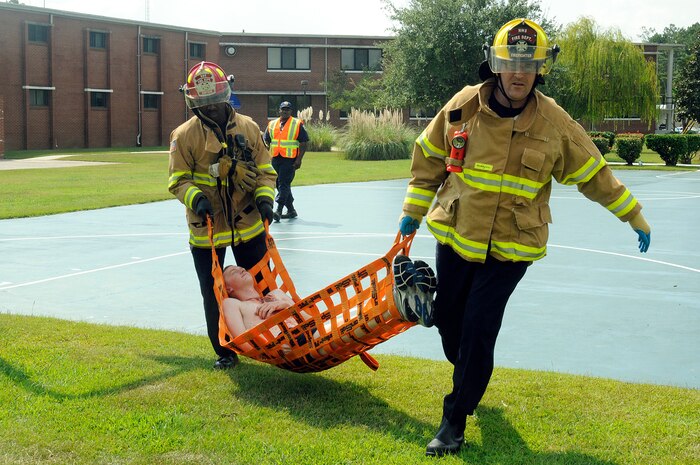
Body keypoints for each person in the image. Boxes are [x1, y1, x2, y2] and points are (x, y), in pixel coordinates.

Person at [397, 18, 652, 457]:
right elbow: (429, 158)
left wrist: (633, 215)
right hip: (456, 236)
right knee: (450, 323)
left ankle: (453, 421)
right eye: (510, 63)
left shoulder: (555, 122)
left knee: (479, 327)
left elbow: (594, 173)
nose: (519, 73)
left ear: (540, 69)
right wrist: (411, 214)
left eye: (529, 64)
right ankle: (470, 376)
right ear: (495, 65)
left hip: (512, 248)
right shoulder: (463, 107)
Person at [169, 61, 277, 370]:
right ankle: (226, 351)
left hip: (250, 225)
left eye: (215, 100)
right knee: (214, 293)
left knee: (262, 288)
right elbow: (178, 179)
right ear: (193, 102)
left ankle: (270, 341)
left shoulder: (249, 128)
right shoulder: (184, 136)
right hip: (207, 230)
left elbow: (266, 172)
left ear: (226, 95)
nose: (211, 108)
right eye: (204, 103)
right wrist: (197, 199)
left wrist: (265, 199)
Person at [221, 265, 295, 346]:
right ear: (228, 289)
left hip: (304, 333)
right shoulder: (233, 304)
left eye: (242, 268)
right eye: (234, 271)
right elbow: (241, 341)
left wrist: (285, 305)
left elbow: (308, 318)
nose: (241, 269)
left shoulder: (277, 294)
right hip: (278, 345)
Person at [263, 101, 309, 221]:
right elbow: (266, 141)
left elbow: (304, 142)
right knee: (279, 184)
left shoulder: (297, 124)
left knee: (283, 183)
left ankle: (278, 210)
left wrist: (299, 159)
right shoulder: (272, 124)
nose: (285, 111)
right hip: (275, 158)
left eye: (288, 109)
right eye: (283, 109)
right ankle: (291, 210)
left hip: (289, 159)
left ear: (291, 111)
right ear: (279, 111)